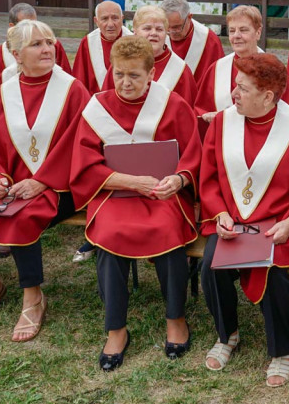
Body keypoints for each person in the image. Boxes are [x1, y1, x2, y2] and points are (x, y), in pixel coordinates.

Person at [71, 36, 201, 370]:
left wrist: (180, 179)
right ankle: (115, 328)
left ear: (151, 74)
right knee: (109, 234)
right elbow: (84, 166)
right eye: (119, 75)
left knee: (167, 228)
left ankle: (176, 317)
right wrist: (131, 182)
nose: (125, 83)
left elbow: (194, 154)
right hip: (115, 193)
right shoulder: (97, 109)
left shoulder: (172, 104)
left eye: (134, 76)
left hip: (162, 193)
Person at [199, 54, 289, 387]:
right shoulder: (223, 122)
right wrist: (220, 212)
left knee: (274, 278)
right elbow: (208, 177)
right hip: (231, 221)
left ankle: (283, 350)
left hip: (277, 224)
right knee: (210, 267)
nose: (233, 94)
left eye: (242, 88)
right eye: (235, 86)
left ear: (268, 96)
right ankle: (227, 335)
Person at [0, 19, 89, 342]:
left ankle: (33, 297)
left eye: (49, 42)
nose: (47, 49)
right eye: (37, 44)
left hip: (63, 187)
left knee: (23, 216)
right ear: (16, 54)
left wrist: (44, 181)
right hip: (15, 185)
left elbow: (82, 145)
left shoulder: (71, 89)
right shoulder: (3, 94)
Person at [194, 6, 289, 130]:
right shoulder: (216, 69)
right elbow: (201, 110)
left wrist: (225, 116)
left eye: (243, 30)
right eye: (232, 31)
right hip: (223, 141)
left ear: (258, 32)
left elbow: (284, 113)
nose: (236, 36)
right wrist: (208, 117)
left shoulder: (275, 70)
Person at [101, 5, 197, 102]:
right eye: (147, 28)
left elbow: (186, 112)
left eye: (159, 29)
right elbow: (106, 103)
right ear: (135, 31)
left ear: (166, 32)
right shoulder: (121, 61)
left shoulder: (180, 70)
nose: (154, 33)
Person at [0, 2, 71, 91]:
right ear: (12, 26)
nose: (32, 28)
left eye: (35, 23)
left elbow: (67, 76)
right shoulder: (2, 51)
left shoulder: (53, 44)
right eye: (26, 24)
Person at [161, 0, 224, 85]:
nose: (171, 32)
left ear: (189, 17)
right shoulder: (158, 35)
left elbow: (219, 79)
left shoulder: (209, 40)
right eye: (167, 27)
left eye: (176, 27)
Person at [72, 0, 133, 93]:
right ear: (96, 21)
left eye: (115, 18)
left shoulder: (134, 41)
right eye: (104, 19)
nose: (110, 24)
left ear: (122, 19)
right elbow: (80, 79)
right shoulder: (88, 42)